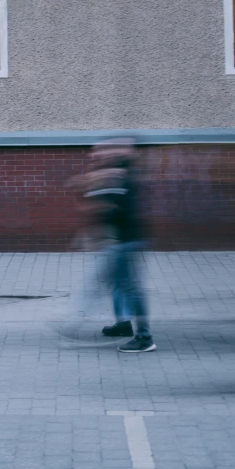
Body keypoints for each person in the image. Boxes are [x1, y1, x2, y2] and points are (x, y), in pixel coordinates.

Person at [80, 140, 156, 353]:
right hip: (120, 240)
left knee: (131, 289)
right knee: (120, 285)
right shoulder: (118, 174)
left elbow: (116, 207)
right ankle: (123, 324)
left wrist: (96, 192)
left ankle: (145, 337)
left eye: (102, 151)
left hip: (126, 241)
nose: (98, 155)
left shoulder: (122, 175)